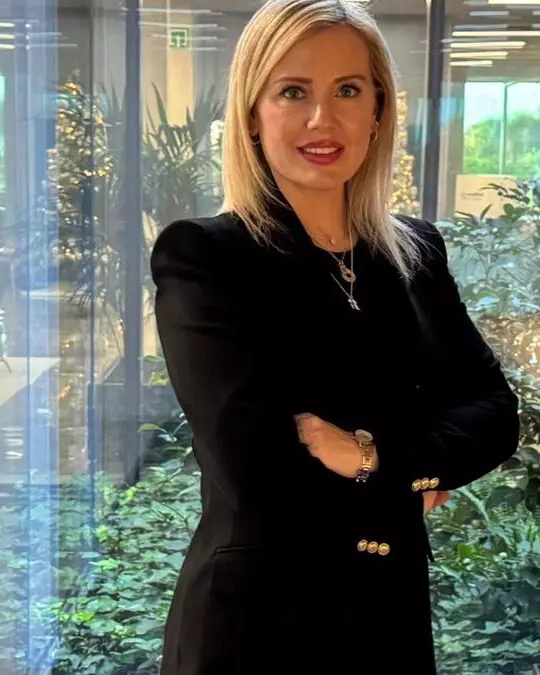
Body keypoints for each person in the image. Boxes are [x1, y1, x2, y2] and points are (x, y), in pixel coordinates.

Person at [151, 0, 520, 672]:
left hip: (389, 612)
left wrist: (371, 457)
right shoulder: (207, 257)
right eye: (293, 92)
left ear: (378, 109)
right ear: (253, 114)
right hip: (259, 625)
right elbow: (256, 470)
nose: (323, 119)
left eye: (348, 90)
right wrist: (416, 471)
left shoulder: (414, 254)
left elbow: (495, 415)